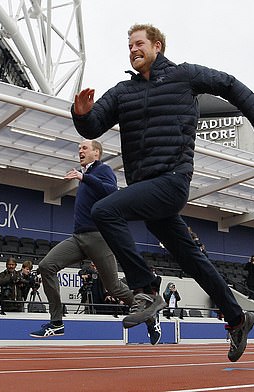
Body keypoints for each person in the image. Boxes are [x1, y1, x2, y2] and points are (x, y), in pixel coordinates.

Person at [71, 23, 254, 362]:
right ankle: (238, 318)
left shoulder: (184, 76)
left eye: (139, 44)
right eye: (129, 45)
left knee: (105, 210)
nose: (133, 49)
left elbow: (229, 84)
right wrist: (80, 114)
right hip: (146, 188)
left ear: (157, 46)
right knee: (192, 259)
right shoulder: (123, 92)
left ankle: (146, 287)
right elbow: (93, 125)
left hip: (172, 180)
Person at [30, 140, 160, 344]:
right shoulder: (87, 176)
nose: (80, 151)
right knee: (46, 266)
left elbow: (111, 192)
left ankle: (150, 313)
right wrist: (84, 178)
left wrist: (84, 177)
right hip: (78, 238)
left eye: (84, 148)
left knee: (114, 288)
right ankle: (56, 323)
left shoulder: (103, 170)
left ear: (96, 153)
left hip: (99, 237)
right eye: (79, 148)